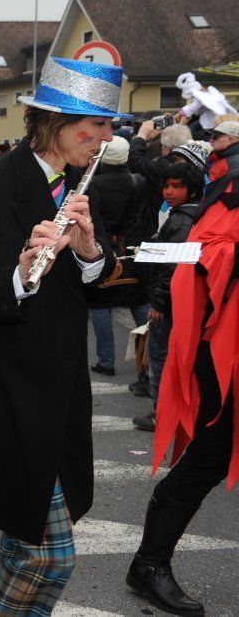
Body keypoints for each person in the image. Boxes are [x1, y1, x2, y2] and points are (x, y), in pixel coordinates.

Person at [0, 57, 122, 614]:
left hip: (59, 389)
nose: (107, 138)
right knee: (46, 556)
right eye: (98, 125)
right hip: (3, 388)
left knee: (29, 550)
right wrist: (17, 275)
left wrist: (89, 253)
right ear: (57, 123)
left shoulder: (83, 186)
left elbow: (102, 280)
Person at [127, 125, 238, 616]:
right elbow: (206, 253)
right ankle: (150, 563)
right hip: (224, 346)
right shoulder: (232, 183)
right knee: (210, 455)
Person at [131, 161, 204, 433]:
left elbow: (173, 265)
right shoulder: (187, 214)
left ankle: (162, 414)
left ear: (192, 190)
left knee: (161, 357)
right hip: (179, 301)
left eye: (177, 186)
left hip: (170, 303)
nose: (169, 192)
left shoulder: (182, 219)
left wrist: (159, 303)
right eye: (166, 186)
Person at [86, 136, 150, 377]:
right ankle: (147, 362)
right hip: (132, 250)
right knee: (139, 303)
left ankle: (106, 361)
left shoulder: (93, 184)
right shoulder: (138, 181)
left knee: (101, 305)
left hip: (104, 249)